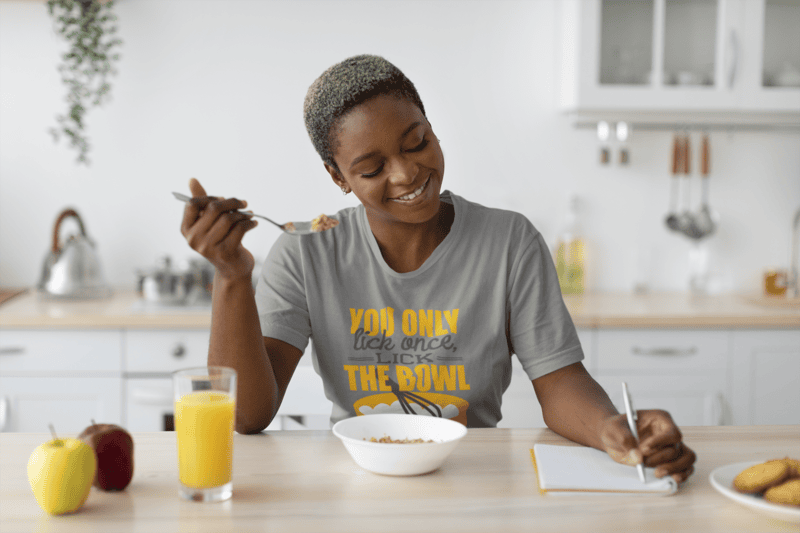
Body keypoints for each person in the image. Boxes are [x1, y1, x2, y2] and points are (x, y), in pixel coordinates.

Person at [180, 54, 696, 483]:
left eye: (416, 142)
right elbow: (248, 415)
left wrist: (612, 429)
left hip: (472, 474)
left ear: (432, 129)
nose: (406, 173)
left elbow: (559, 383)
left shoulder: (509, 241)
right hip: (358, 481)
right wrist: (231, 277)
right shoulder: (307, 250)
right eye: (372, 168)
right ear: (338, 177)